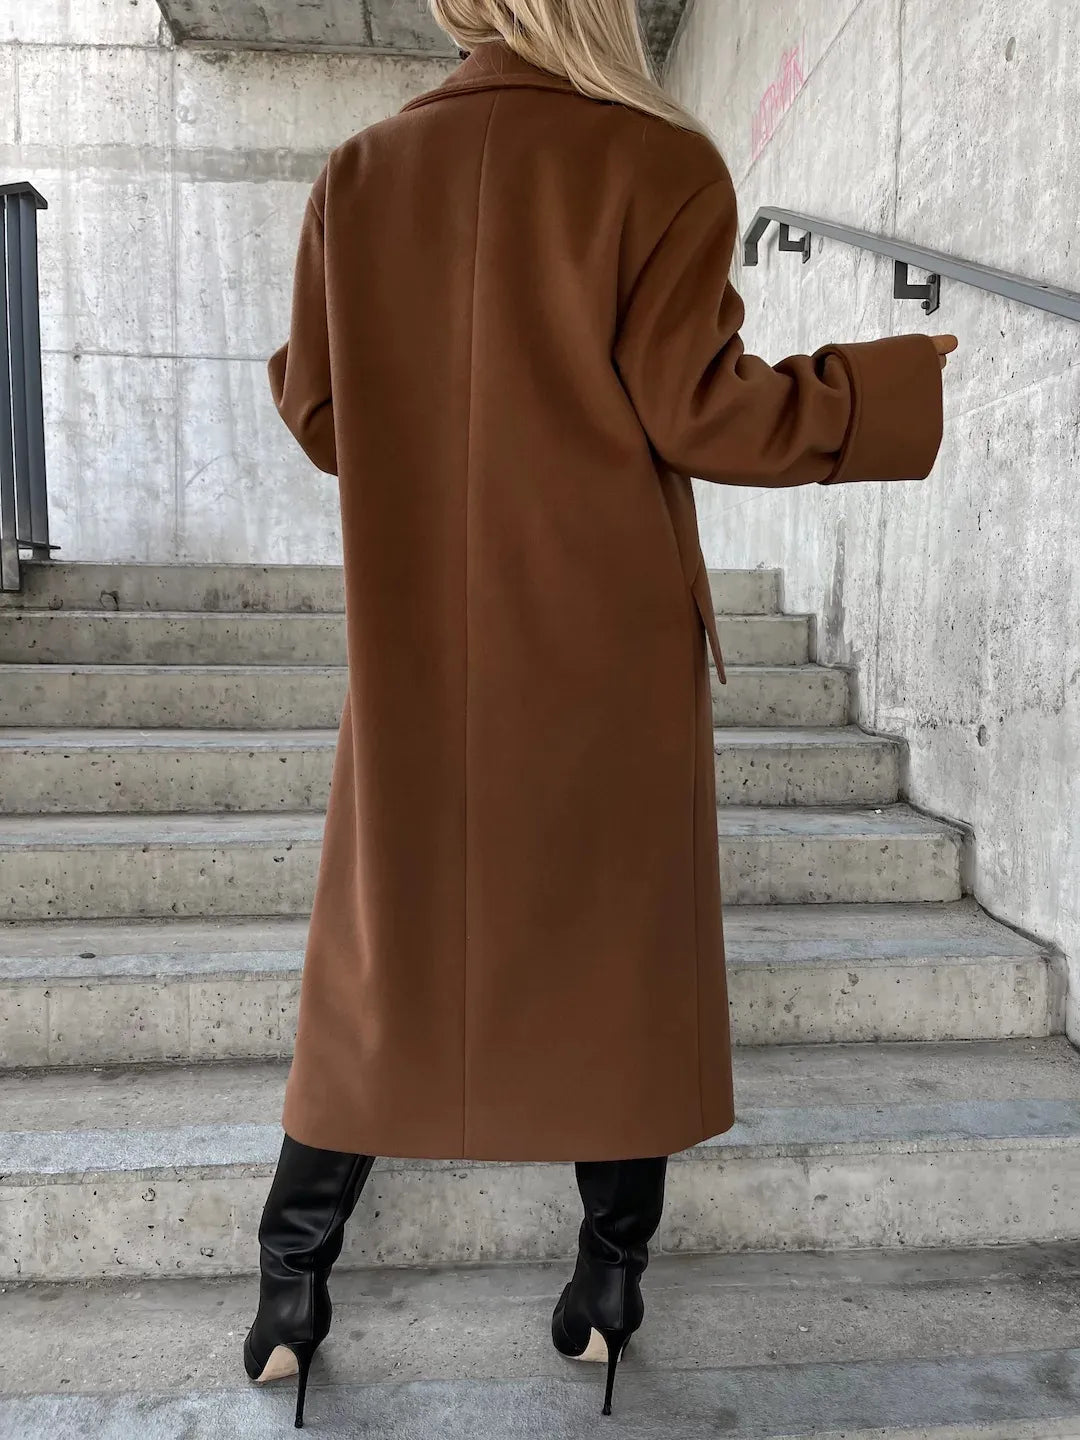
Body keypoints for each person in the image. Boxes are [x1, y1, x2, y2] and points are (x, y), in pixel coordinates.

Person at [244, 0, 956, 1426]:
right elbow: (703, 412)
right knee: (622, 971)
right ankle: (608, 1288)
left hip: (425, 642)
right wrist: (876, 395)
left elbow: (320, 413)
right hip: (604, 653)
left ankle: (288, 1293)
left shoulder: (361, 175)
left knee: (382, 958)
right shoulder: (660, 162)